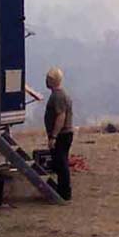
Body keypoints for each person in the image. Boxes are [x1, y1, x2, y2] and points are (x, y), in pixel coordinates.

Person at [44, 67, 74, 201]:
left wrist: (53, 136)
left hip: (62, 135)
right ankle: (62, 190)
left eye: (48, 79)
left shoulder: (58, 96)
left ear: (52, 80)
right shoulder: (60, 95)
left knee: (61, 163)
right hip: (64, 134)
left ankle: (64, 193)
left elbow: (60, 117)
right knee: (60, 162)